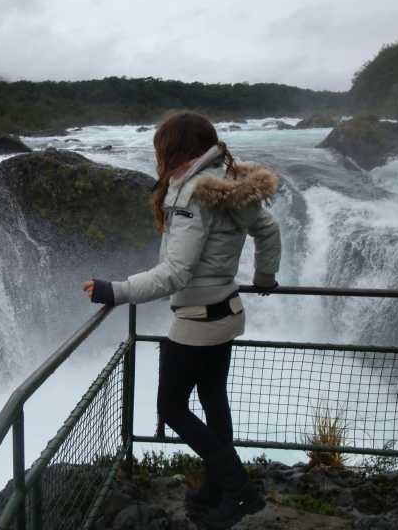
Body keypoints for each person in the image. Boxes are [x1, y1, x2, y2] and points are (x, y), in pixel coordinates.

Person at [83, 111, 281, 530]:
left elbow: (175, 273)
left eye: (161, 148)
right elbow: (269, 229)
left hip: (197, 320)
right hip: (227, 312)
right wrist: (265, 277)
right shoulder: (230, 184)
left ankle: (240, 490)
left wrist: (115, 291)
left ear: (175, 150)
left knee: (171, 407)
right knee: (212, 400)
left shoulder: (192, 195)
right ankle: (215, 489)